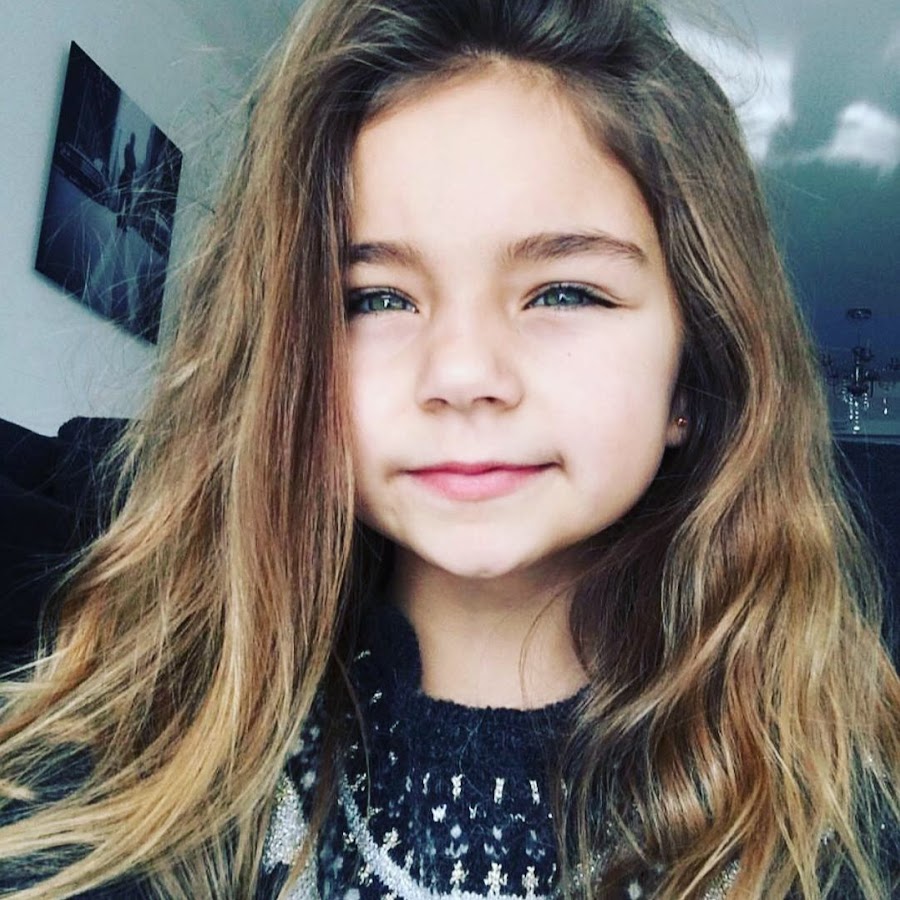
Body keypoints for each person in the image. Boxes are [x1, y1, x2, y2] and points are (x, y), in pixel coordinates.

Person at [1, 0, 898, 897]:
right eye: (375, 299)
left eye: (565, 292)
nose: (463, 374)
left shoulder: (854, 805)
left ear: (693, 375)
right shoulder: (113, 772)